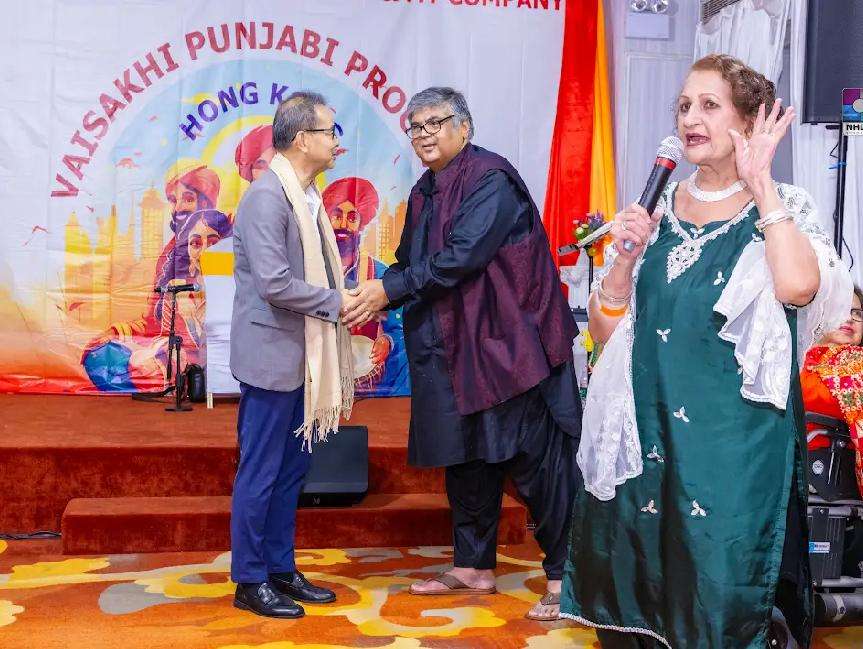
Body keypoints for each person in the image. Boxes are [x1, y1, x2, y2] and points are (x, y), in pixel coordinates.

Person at [561, 54, 853, 648]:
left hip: (735, 444)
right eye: (684, 106)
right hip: (648, 431)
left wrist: (762, 184)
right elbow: (608, 332)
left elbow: (800, 287)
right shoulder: (657, 208)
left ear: (748, 122)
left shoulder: (782, 207)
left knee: (722, 588)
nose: (690, 118)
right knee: (645, 580)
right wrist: (624, 259)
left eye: (709, 106)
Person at [342, 87, 583, 620]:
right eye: (415, 126)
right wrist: (372, 297)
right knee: (466, 457)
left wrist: (389, 290)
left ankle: (567, 575)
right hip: (453, 348)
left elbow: (460, 258)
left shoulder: (490, 180)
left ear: (464, 128)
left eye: (435, 122)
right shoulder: (425, 191)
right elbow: (409, 262)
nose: (424, 133)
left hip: (507, 345)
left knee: (535, 461)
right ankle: (474, 567)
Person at [229, 91, 357, 619]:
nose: (337, 143)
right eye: (330, 132)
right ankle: (249, 579)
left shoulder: (307, 195)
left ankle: (280, 568)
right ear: (303, 139)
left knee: (291, 473)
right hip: (273, 357)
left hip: (306, 355)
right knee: (260, 472)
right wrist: (339, 302)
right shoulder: (267, 198)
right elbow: (275, 284)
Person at [322, 177, 408, 394]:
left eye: (352, 217)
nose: (343, 224)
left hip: (368, 381)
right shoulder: (311, 268)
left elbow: (399, 327)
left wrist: (387, 341)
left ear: (361, 224)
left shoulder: (380, 273)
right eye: (337, 215)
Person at [801, 286, 863, 497]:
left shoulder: (857, 363)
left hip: (829, 476)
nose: (850, 318)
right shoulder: (791, 360)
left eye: (857, 313)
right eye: (839, 307)